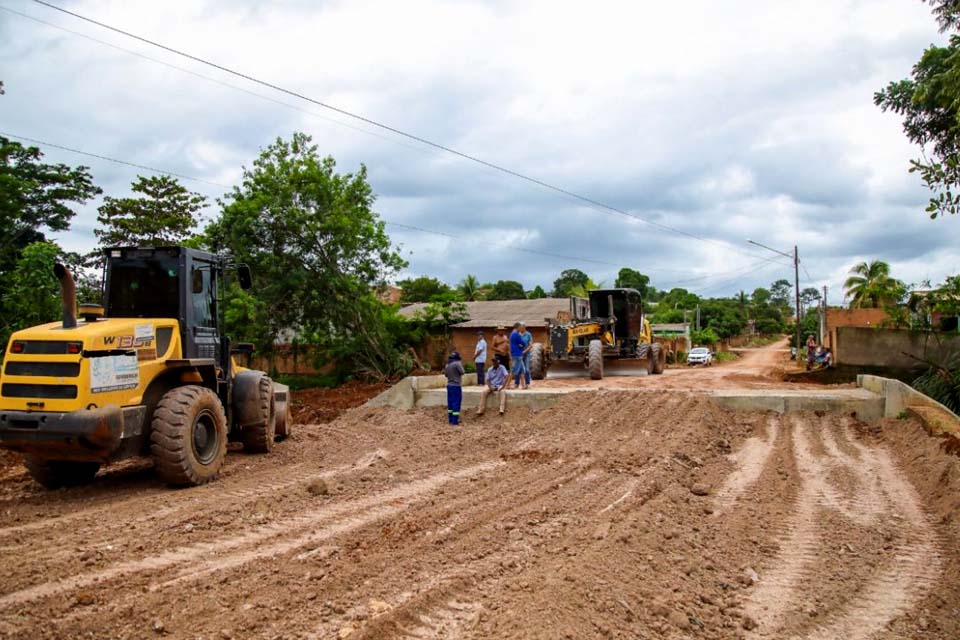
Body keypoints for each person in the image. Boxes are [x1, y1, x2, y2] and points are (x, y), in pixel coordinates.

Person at [443, 351, 465, 426]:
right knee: (456, 402)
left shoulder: (447, 365)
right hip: (456, 386)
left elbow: (445, 375)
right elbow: (462, 372)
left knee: (450, 403)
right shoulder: (457, 363)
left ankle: (450, 420)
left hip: (449, 385)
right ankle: (455, 421)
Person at [509, 322, 528, 390]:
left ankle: (523, 385)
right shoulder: (516, 334)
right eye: (520, 327)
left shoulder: (512, 333)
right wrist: (522, 345)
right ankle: (507, 385)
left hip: (517, 353)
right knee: (514, 370)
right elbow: (524, 343)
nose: (521, 328)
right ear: (517, 327)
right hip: (517, 354)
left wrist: (521, 345)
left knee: (522, 371)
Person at [519, 322, 534, 387]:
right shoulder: (518, 334)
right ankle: (517, 383)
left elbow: (531, 345)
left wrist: (525, 351)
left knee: (527, 369)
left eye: (521, 327)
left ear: (524, 327)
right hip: (519, 353)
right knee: (518, 368)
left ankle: (527, 383)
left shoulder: (528, 334)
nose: (520, 329)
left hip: (527, 353)